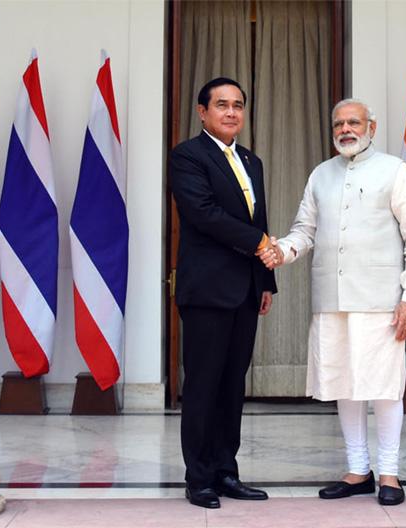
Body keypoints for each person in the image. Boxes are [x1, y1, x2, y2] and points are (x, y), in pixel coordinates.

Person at [259, 98, 406, 506]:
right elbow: (305, 230)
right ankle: (358, 471)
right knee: (344, 385)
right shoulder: (321, 174)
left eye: (354, 122)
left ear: (372, 126)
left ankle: (389, 473)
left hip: (382, 302)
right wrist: (281, 251)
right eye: (338, 123)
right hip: (332, 300)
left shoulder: (395, 170)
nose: (345, 129)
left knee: (386, 388)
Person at [170, 77, 277, 509]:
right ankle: (198, 478)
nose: (231, 112)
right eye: (221, 105)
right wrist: (259, 245)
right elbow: (203, 213)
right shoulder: (187, 156)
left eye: (238, 105)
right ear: (202, 112)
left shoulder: (252, 161)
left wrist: (265, 280)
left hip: (246, 291)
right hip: (207, 291)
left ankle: (226, 471)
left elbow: (261, 219)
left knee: (233, 385)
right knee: (203, 386)